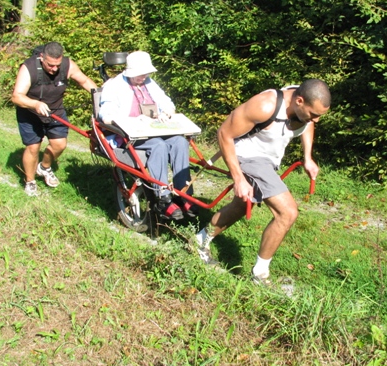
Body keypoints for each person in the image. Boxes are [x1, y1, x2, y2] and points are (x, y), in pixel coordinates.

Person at [194, 79, 331, 284]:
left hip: (268, 161)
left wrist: (308, 157)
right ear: (299, 101)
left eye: (319, 115)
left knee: (241, 205)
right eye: (314, 114)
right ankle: (260, 275)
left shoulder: (304, 109)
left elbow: (308, 124)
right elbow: (224, 133)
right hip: (247, 156)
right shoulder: (265, 105)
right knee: (287, 212)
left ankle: (197, 240)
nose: (316, 120)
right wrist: (239, 178)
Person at [98, 51, 196, 220]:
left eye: (146, 73)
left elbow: (167, 102)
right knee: (159, 145)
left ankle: (183, 192)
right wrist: (134, 119)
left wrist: (166, 112)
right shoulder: (114, 86)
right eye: (140, 74)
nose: (144, 77)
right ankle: (163, 197)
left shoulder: (148, 83)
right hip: (130, 135)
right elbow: (106, 115)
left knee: (180, 142)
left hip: (154, 129)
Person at [12, 42, 97, 197]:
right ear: (42, 57)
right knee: (33, 147)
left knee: (60, 144)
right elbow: (17, 97)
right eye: (50, 65)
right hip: (30, 112)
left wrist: (101, 98)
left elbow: (84, 81)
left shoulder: (68, 65)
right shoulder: (29, 67)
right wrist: (35, 104)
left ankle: (44, 167)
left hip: (55, 111)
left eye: (57, 65)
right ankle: (30, 181)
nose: (54, 69)